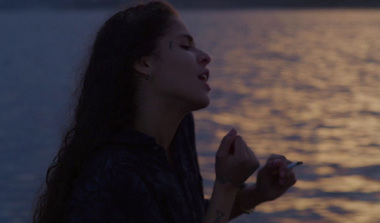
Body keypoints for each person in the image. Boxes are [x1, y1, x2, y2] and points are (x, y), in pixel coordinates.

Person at [33, 1, 297, 223]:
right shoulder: (114, 175)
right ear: (144, 63)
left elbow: (186, 216)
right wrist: (226, 185)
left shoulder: (179, 133)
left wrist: (257, 194)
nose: (205, 56)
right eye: (185, 46)